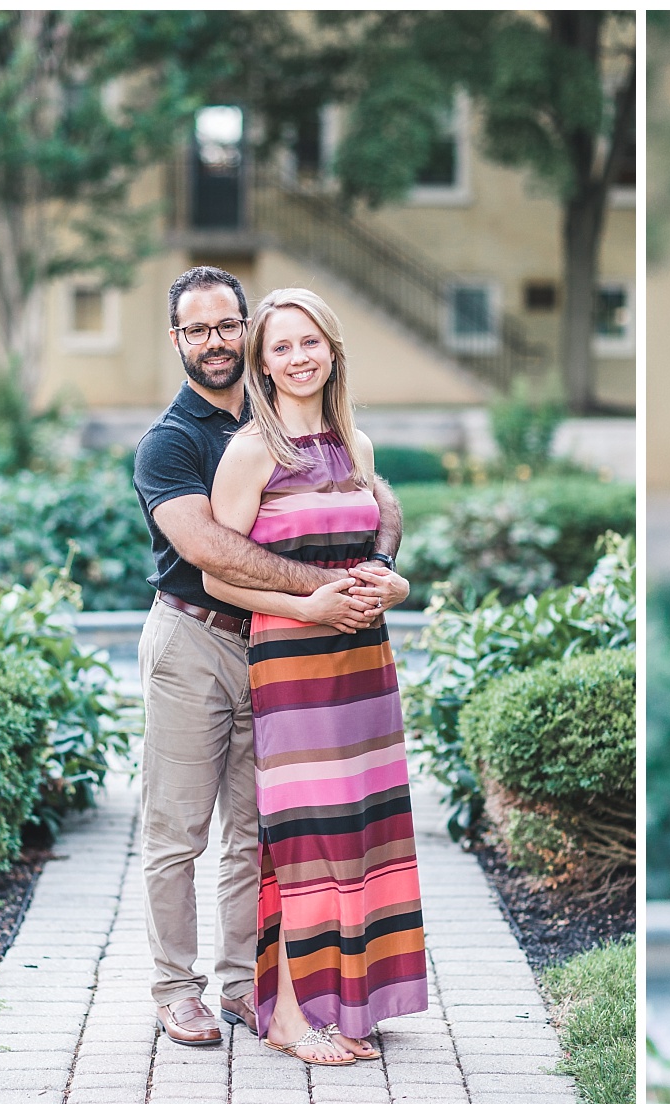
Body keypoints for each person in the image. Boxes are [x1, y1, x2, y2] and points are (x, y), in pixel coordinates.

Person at [133, 267, 408, 1048]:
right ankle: (174, 988)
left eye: (227, 325)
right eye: (198, 329)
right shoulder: (173, 442)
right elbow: (208, 546)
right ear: (179, 339)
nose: (215, 341)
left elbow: (377, 499)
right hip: (196, 640)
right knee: (178, 829)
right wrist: (321, 591)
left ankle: (240, 987)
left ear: (245, 331)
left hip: (279, 650)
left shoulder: (284, 414)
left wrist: (377, 566)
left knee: (260, 833)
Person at [202, 287, 429, 1066]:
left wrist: (391, 584)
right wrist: (308, 606)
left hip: (365, 661)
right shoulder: (250, 452)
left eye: (310, 343)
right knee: (305, 833)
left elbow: (370, 549)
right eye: (281, 348)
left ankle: (355, 999)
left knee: (364, 829)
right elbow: (219, 578)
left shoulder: (354, 446)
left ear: (332, 348)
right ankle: (292, 1015)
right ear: (261, 366)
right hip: (294, 661)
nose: (298, 358)